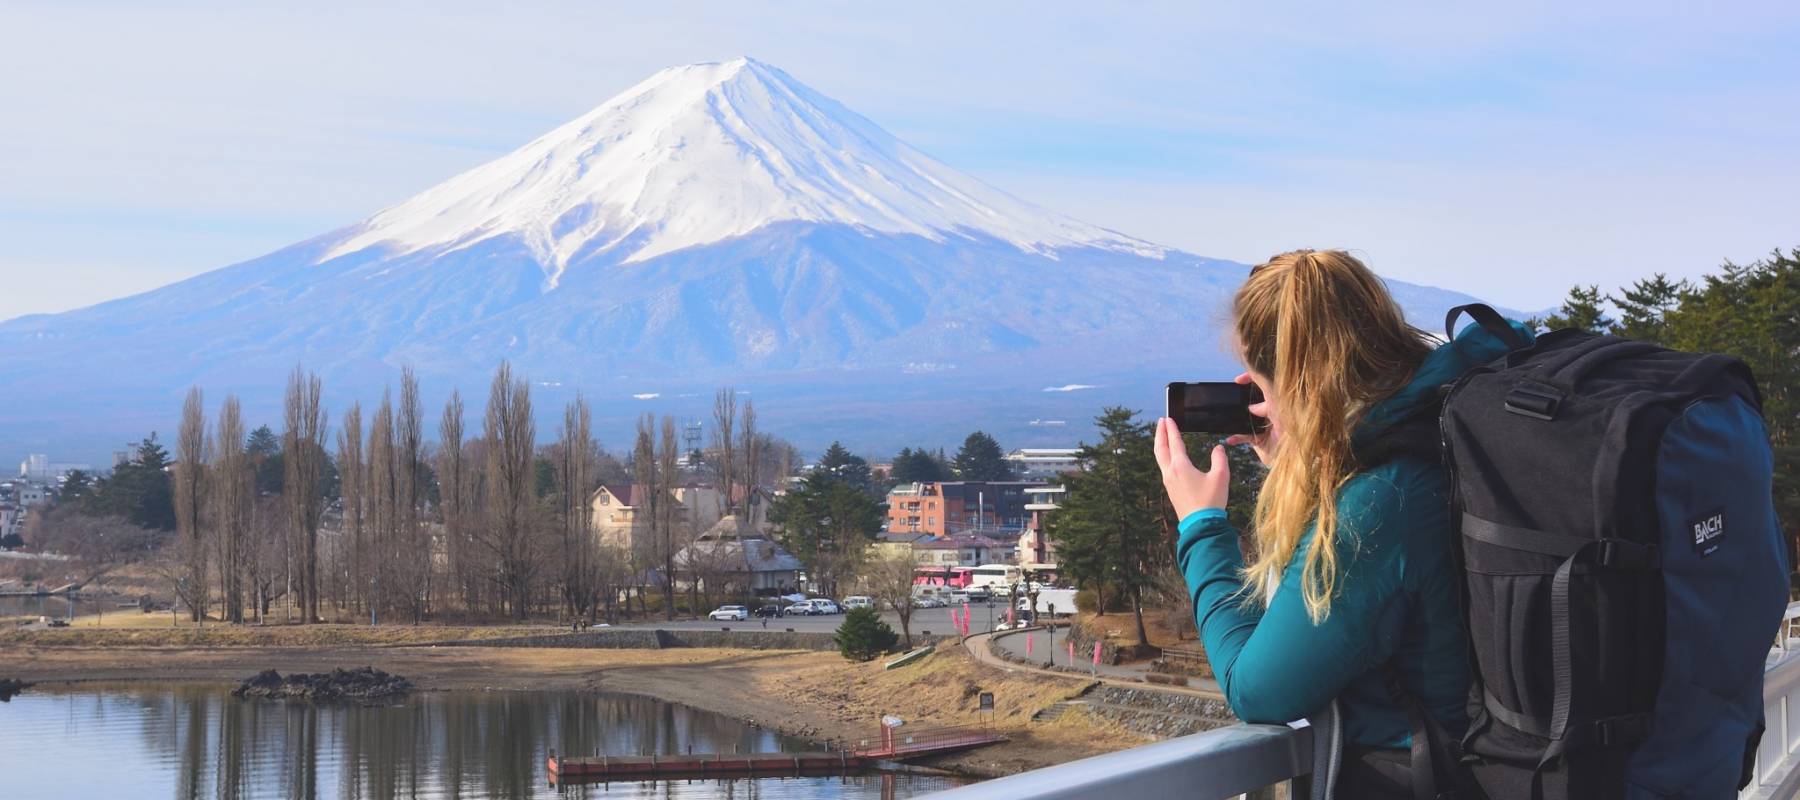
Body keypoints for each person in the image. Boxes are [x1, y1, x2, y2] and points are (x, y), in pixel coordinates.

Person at [1154, 249, 1526, 796]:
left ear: (1299, 383)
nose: (1259, 402)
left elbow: (1257, 689)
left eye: (1262, 384)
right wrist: (1302, 450)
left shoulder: (1379, 503)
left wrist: (1203, 525)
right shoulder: (1442, 426)